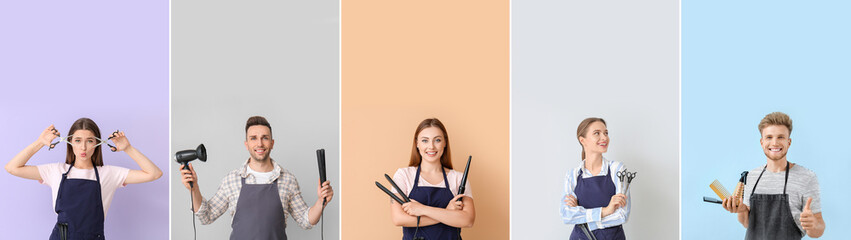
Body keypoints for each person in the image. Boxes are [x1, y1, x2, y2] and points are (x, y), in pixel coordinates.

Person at [5, 118, 163, 239]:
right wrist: (40, 142)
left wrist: (128, 149)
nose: (83, 147)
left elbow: (154, 173)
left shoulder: (108, 174)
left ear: (97, 144)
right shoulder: (55, 171)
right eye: (78, 140)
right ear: (70, 143)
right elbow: (12, 168)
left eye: (90, 141)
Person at [180, 116, 333, 240]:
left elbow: (306, 221)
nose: (259, 143)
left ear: (272, 143)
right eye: (253, 138)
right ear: (246, 144)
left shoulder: (287, 180)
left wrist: (320, 202)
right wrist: (194, 189)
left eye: (265, 138)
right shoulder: (231, 180)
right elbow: (207, 216)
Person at [721, 112, 825, 239]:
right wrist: (741, 210)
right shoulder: (752, 176)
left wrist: (813, 224)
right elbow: (747, 224)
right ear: (762, 142)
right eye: (769, 137)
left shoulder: (807, 177)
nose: (774, 143)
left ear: (789, 142)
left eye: (780, 137)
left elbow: (818, 230)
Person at [389, 118, 476, 240]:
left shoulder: (458, 178)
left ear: (445, 143)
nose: (431, 146)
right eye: (425, 140)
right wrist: (447, 212)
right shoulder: (403, 175)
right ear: (417, 144)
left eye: (437, 140)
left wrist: (422, 209)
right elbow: (399, 219)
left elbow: (467, 220)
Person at [561, 117, 630, 240]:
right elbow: (567, 215)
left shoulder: (617, 169)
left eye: (606, 133)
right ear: (583, 140)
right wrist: (605, 211)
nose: (604, 138)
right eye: (597, 133)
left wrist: (583, 217)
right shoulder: (572, 175)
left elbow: (622, 215)